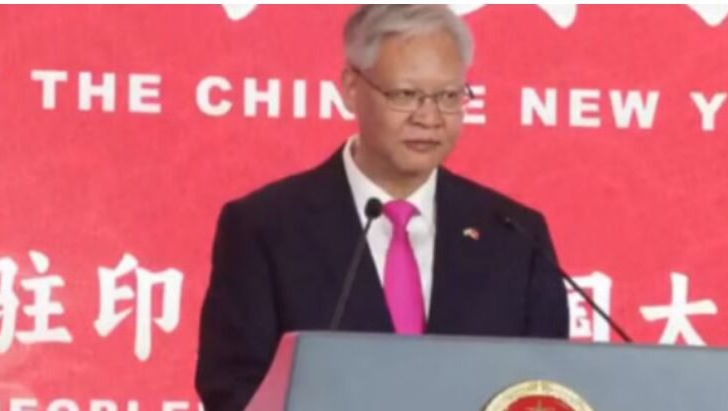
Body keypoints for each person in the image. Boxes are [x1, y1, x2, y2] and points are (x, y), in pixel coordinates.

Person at [195, 5, 568, 410]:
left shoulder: (514, 234)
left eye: (448, 96)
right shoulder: (265, 229)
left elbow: (548, 389)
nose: (429, 118)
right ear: (350, 88)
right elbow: (232, 390)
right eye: (405, 95)